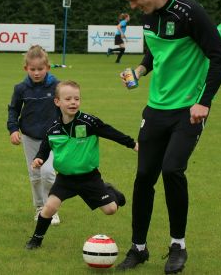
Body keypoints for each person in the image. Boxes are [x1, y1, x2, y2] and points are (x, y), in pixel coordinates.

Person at [117, 0, 221, 273]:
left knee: (172, 169)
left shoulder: (190, 12)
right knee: (143, 177)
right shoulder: (148, 18)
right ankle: (138, 248)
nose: (132, 5)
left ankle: (178, 245)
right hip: (155, 109)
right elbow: (156, 52)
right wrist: (139, 70)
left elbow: (219, 57)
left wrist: (204, 101)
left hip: (188, 110)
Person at [25, 80, 138, 250]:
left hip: (89, 178)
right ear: (57, 102)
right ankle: (36, 240)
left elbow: (111, 133)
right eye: (68, 99)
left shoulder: (89, 122)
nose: (73, 102)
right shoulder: (53, 128)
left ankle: (110, 190)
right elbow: (45, 148)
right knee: (49, 207)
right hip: (65, 179)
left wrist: (133, 144)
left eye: (76, 99)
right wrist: (39, 159)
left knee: (110, 210)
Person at [7, 45, 61, 225]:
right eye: (33, 69)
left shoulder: (56, 86)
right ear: (26, 69)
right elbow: (13, 110)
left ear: (47, 67)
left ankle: (51, 208)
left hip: (53, 137)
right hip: (30, 137)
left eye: (40, 69)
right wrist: (13, 129)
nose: (37, 73)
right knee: (35, 174)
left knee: (48, 173)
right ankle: (40, 207)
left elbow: (66, 107)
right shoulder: (21, 88)